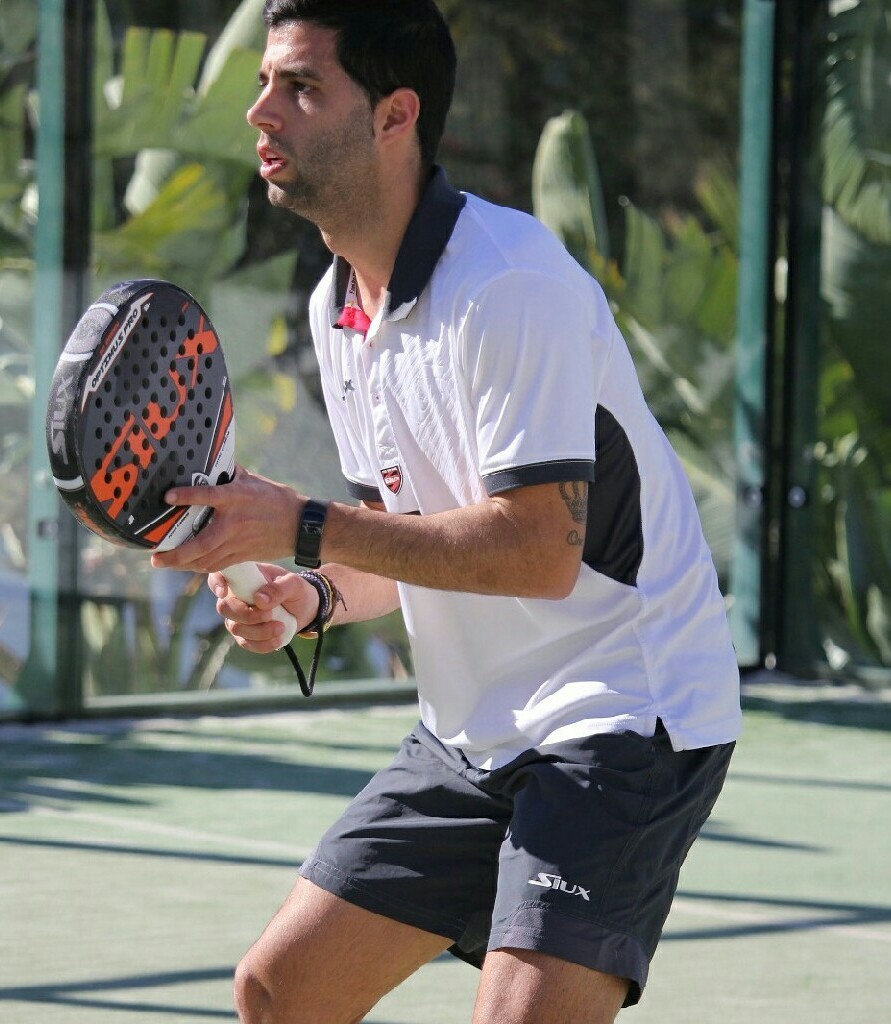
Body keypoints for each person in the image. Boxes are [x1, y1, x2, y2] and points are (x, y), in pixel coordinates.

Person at [152, 1, 742, 1020]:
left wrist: (299, 524)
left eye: (301, 87)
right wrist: (309, 595)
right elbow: (405, 536)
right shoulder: (337, 305)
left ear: (395, 116)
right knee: (278, 991)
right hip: (470, 731)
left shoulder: (507, 284)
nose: (261, 111)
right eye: (264, 83)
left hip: (624, 710)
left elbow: (535, 554)